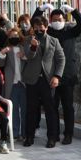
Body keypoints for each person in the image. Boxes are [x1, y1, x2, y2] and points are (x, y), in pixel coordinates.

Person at [36, 3, 81, 145]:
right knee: (51, 107)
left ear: (64, 19)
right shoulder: (48, 33)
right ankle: (53, 135)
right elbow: (36, 23)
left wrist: (73, 11)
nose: (57, 21)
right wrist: (41, 10)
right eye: (54, 19)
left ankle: (68, 134)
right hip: (51, 75)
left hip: (68, 75)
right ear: (50, 21)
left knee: (67, 107)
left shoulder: (71, 31)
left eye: (60, 19)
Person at [22, 16, 65, 149]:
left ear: (46, 27)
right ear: (33, 28)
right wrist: (33, 47)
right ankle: (29, 136)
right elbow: (28, 56)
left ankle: (52, 137)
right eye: (36, 28)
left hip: (48, 80)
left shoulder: (54, 40)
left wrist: (57, 76)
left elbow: (61, 59)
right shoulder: (28, 40)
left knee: (50, 110)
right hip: (32, 79)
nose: (39, 30)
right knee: (31, 109)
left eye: (41, 28)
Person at [0, 27, 26, 141]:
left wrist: (24, 56)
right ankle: (14, 133)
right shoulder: (6, 49)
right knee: (13, 110)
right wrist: (2, 53)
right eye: (12, 36)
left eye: (16, 36)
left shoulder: (23, 48)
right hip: (11, 84)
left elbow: (30, 60)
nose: (14, 38)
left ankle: (24, 133)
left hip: (23, 83)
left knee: (24, 110)